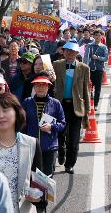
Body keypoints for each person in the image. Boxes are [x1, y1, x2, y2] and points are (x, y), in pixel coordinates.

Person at [0, 93, 45, 212]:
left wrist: (38, 196)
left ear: (17, 113)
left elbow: (40, 188)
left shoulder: (32, 144)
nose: (1, 115)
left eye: (5, 110)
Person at [53, 40, 90, 174]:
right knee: (59, 134)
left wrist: (88, 110)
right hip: (60, 105)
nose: (70, 54)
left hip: (76, 107)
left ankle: (70, 164)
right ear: (63, 52)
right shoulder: (56, 65)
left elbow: (86, 90)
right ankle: (61, 152)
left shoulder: (84, 68)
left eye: (73, 51)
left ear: (76, 53)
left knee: (74, 140)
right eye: (67, 51)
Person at [22, 75, 66, 177]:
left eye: (43, 85)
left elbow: (62, 123)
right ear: (34, 87)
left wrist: (51, 127)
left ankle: (48, 194)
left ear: (48, 87)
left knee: (48, 176)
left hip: (49, 146)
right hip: (31, 145)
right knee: (32, 177)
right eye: (37, 85)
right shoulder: (27, 102)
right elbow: (21, 122)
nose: (40, 87)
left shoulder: (55, 103)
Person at [83, 29, 108, 110]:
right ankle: (89, 102)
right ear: (93, 36)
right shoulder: (89, 46)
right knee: (88, 87)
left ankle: (95, 104)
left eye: (99, 35)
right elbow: (85, 58)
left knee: (98, 88)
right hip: (90, 70)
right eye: (96, 35)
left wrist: (98, 58)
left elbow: (106, 58)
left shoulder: (103, 47)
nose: (97, 37)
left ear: (101, 37)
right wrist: (85, 68)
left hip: (99, 70)